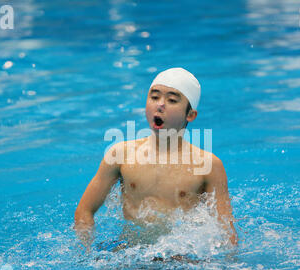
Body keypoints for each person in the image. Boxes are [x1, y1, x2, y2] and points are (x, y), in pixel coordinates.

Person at [74, 67, 237, 251]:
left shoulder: (208, 165)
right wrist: (85, 252)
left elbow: (226, 230)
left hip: (181, 259)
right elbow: (84, 211)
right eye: (154, 97)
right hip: (130, 255)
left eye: (172, 100)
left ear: (190, 115)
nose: (160, 104)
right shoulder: (120, 155)